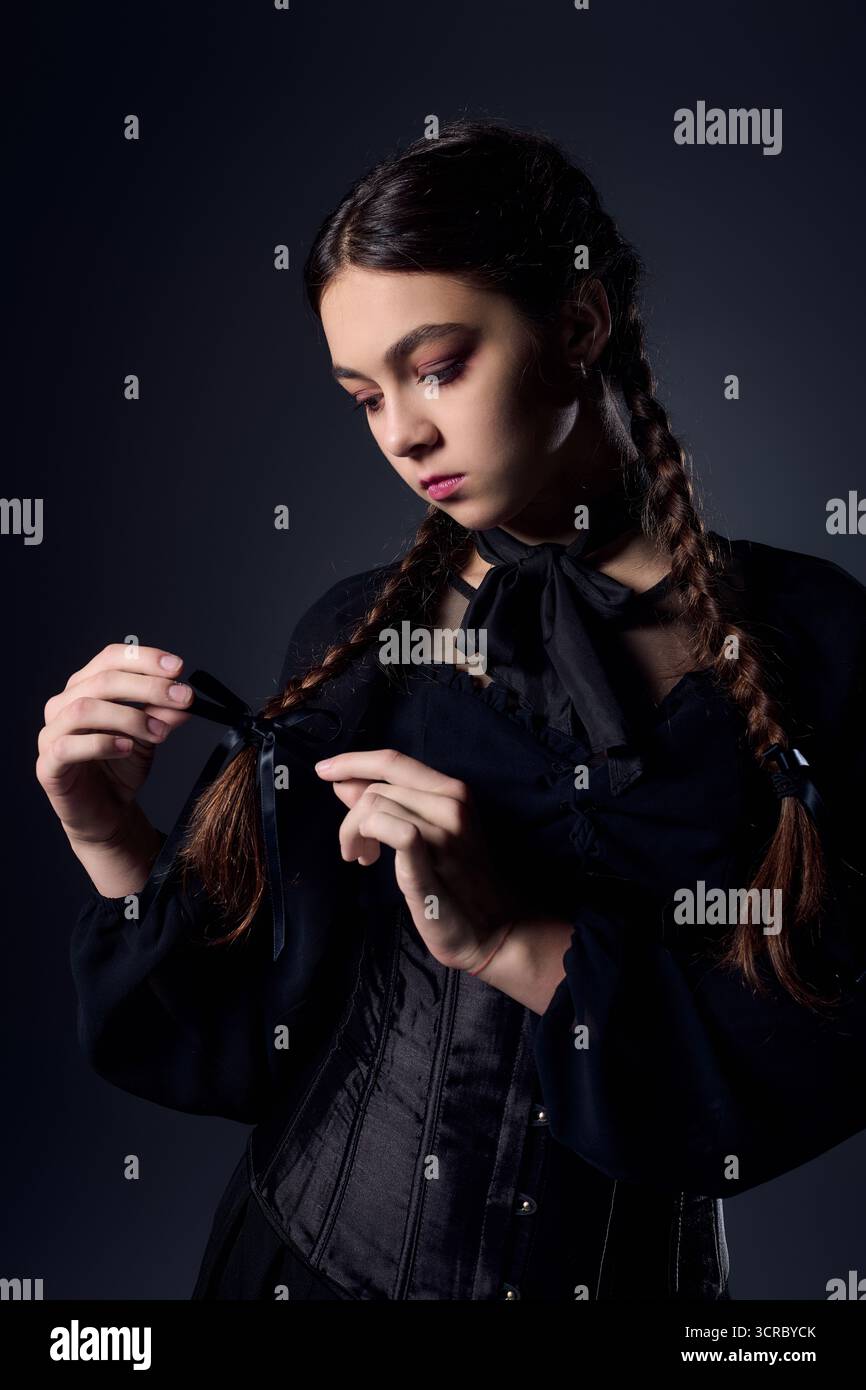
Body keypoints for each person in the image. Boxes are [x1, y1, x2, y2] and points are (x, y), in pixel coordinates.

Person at [37, 118, 866, 1301]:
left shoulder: (804, 641)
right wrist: (107, 832)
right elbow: (246, 1037)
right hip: (303, 1269)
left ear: (576, 326)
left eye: (436, 366)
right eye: (362, 394)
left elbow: (818, 1043)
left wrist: (517, 945)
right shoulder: (356, 642)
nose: (401, 432)